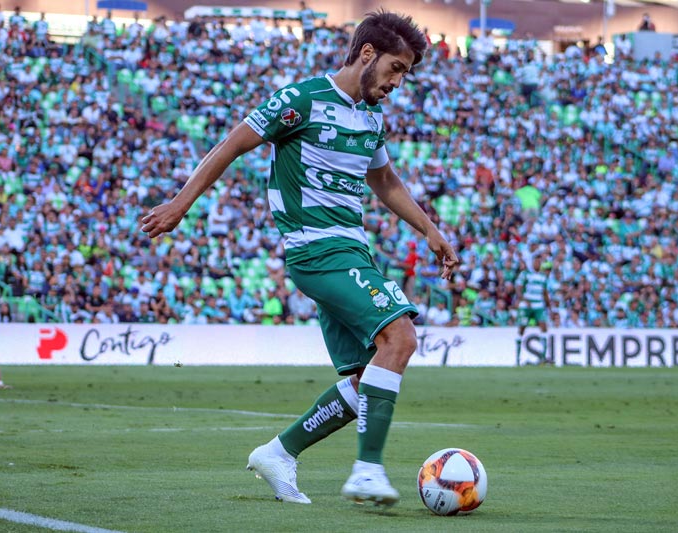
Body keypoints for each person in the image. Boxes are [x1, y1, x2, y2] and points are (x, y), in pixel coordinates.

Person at [140, 10, 459, 507]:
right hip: (316, 248)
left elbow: (385, 181)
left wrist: (429, 228)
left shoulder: (371, 115)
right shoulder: (301, 99)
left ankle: (279, 452)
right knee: (400, 337)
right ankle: (368, 470)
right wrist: (182, 203)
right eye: (397, 68)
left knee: (364, 379)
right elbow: (233, 144)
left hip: (350, 248)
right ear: (368, 54)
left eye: (406, 73)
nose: (399, 81)